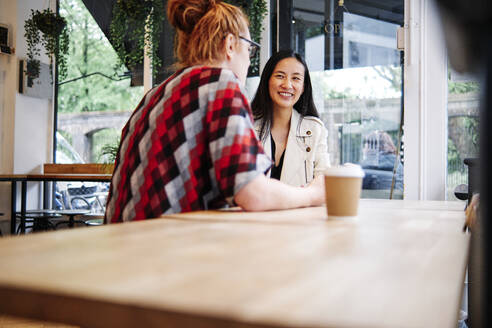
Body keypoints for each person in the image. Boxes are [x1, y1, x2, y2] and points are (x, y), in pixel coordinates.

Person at [105, 0, 325, 223]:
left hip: (121, 243)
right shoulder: (220, 83)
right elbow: (253, 194)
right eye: (249, 49)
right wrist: (314, 193)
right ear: (230, 45)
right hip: (157, 248)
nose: (249, 60)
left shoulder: (156, 94)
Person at [251, 50, 330, 187]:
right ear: (267, 80)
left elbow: (324, 183)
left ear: (304, 87)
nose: (287, 85)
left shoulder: (314, 130)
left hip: (299, 208)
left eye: (296, 78)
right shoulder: (246, 126)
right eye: (280, 76)